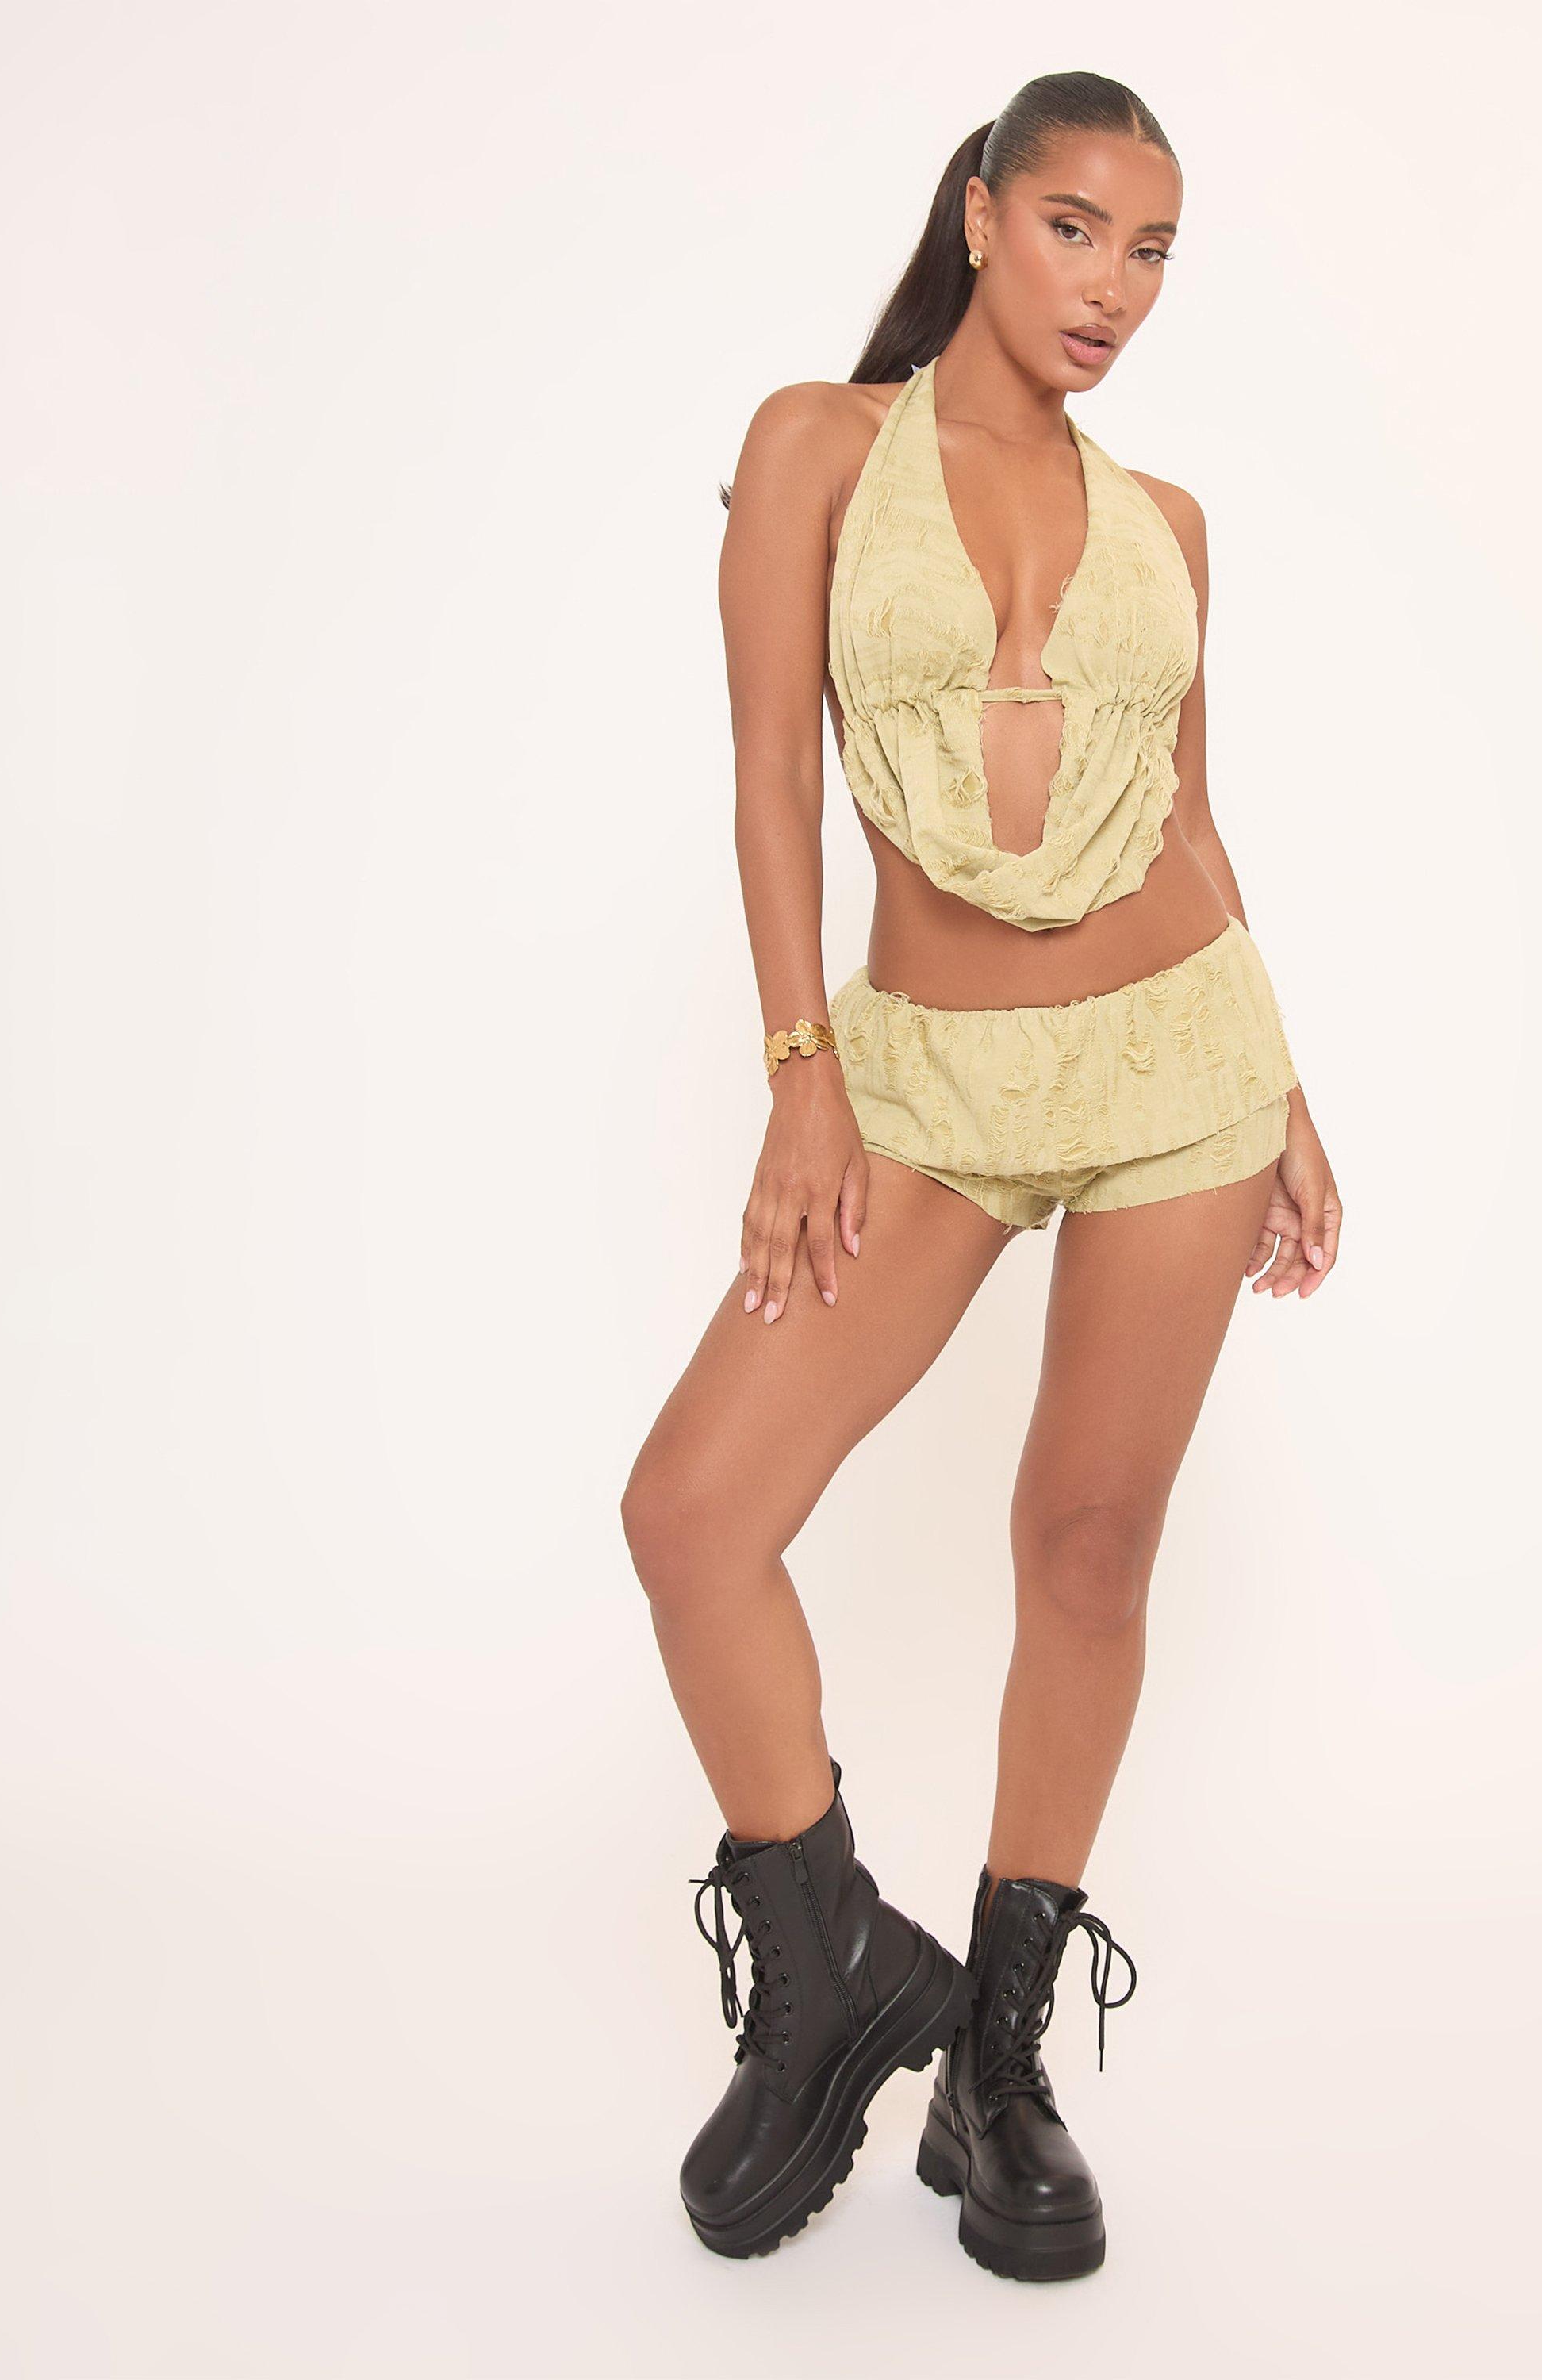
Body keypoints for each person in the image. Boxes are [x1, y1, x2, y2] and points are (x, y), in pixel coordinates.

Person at [620, 69, 1343, 2282]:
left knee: (1088, 1544)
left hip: (1176, 1064)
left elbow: (1189, 819)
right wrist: (801, 1074)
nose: (1112, 286)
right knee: (694, 1516)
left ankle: (998, 2063)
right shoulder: (820, 451)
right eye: (1074, 228)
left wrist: (1289, 1093)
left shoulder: (1172, 525)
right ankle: (834, 1965)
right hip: (921, 1081)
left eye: (1153, 251)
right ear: (979, 213)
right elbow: (767, 775)